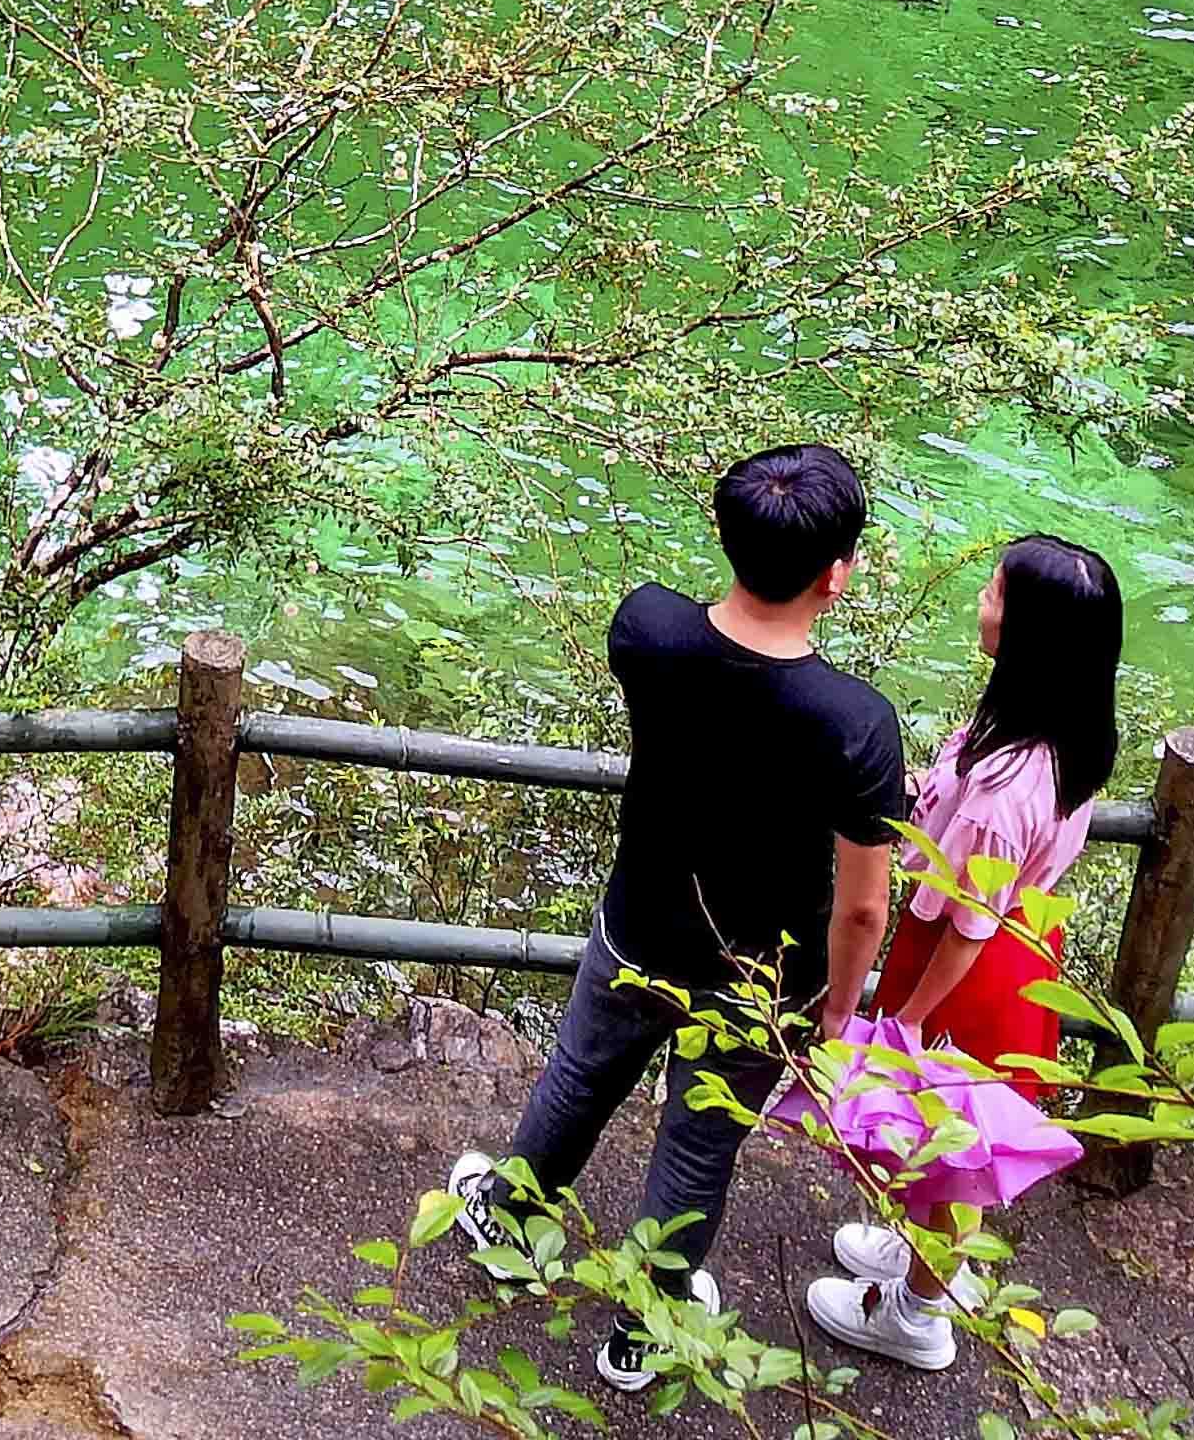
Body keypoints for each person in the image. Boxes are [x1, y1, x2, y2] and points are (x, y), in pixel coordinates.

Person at [448, 444, 906, 1395]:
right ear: (838, 575)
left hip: (641, 925)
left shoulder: (648, 628)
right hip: (763, 979)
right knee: (698, 1146)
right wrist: (836, 1011)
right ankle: (643, 1332)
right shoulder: (856, 722)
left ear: (724, 536)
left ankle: (508, 1223)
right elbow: (863, 904)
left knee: (578, 1081)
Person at [806, 532, 1124, 1374]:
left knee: (946, 1138)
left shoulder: (1007, 787)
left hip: (965, 973)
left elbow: (969, 924)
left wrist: (904, 1022)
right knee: (950, 1140)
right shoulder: (1053, 733)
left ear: (1029, 636)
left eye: (994, 596)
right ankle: (919, 1260)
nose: (980, 605)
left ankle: (915, 1313)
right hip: (1018, 955)